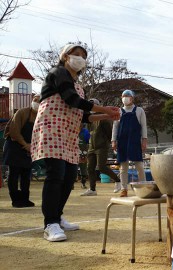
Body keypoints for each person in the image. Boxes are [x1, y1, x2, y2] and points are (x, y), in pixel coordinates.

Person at [31, 43, 120, 242]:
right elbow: (71, 100)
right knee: (56, 175)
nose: (80, 58)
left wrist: (105, 115)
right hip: (52, 128)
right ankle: (50, 223)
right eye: (76, 54)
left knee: (70, 175)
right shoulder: (58, 72)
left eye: (83, 56)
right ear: (65, 57)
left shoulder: (79, 87)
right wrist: (104, 109)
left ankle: (58, 216)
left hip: (69, 134)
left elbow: (84, 116)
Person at [3, 94, 40, 208]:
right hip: (14, 145)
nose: (36, 102)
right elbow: (14, 131)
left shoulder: (41, 116)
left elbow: (40, 133)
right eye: (35, 100)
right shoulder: (22, 112)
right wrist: (25, 144)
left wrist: (32, 146)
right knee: (14, 173)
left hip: (29, 147)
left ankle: (25, 198)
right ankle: (15, 199)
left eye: (39, 101)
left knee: (26, 174)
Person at [111, 89, 147, 197]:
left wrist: (144, 140)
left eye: (127, 96)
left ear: (132, 98)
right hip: (122, 141)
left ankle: (144, 187)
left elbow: (143, 126)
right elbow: (115, 127)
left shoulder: (139, 110)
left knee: (139, 166)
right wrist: (113, 140)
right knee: (123, 167)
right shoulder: (119, 111)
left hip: (135, 141)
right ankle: (124, 189)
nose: (124, 98)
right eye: (123, 96)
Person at [81, 98, 121, 196]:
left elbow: (110, 133)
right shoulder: (89, 119)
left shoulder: (104, 119)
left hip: (102, 146)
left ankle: (118, 180)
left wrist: (112, 143)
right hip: (91, 146)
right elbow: (90, 133)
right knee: (89, 168)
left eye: (93, 104)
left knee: (102, 167)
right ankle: (92, 189)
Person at [78, 124, 90, 189]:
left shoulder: (85, 132)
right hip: (73, 151)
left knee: (83, 167)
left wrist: (85, 153)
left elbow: (88, 142)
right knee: (72, 167)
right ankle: (71, 184)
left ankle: (83, 183)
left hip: (83, 151)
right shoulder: (72, 130)